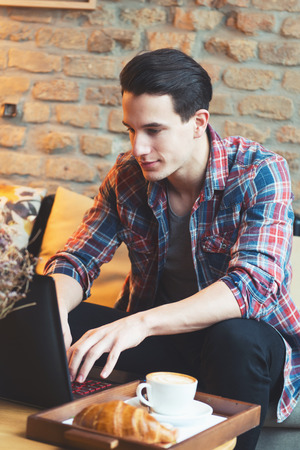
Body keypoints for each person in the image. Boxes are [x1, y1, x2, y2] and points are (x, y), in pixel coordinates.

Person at [44, 48, 300, 449]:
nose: (138, 147)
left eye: (153, 131)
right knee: (40, 321)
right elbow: (78, 259)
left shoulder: (260, 171)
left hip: (242, 350)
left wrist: (140, 323)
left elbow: (251, 285)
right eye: (130, 130)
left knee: (236, 337)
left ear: (198, 123)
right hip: (162, 342)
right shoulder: (127, 176)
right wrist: (51, 314)